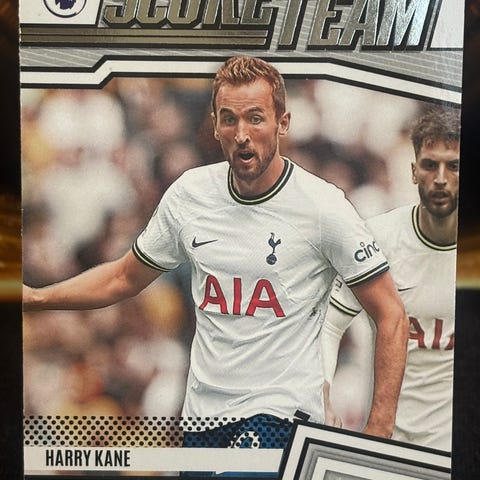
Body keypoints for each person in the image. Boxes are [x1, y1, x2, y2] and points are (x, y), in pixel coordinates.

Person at [23, 55, 409, 449]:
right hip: (203, 420)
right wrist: (36, 297)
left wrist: (379, 428)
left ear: (283, 123)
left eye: (255, 118)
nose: (241, 134)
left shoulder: (323, 207)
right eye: (229, 119)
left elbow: (391, 312)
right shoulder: (190, 195)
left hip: (281, 419)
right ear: (214, 125)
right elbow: (123, 277)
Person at [321, 107, 460, 451]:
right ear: (413, 172)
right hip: (386, 443)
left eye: (454, 166)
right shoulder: (379, 237)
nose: (440, 178)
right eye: (430, 165)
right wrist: (322, 391)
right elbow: (330, 324)